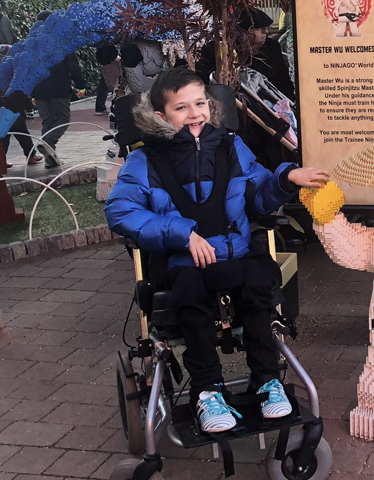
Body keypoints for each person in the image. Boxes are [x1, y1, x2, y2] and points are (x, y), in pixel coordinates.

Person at [104, 68, 329, 433]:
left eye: (200, 103)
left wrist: (285, 179)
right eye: (182, 108)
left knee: (260, 284)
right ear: (162, 117)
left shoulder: (231, 147)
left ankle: (268, 382)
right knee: (190, 297)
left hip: (235, 250)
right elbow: (120, 211)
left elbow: (258, 196)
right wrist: (181, 234)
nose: (194, 113)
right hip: (186, 258)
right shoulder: (144, 162)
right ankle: (207, 391)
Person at [0, 0, 36, 166]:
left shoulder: (5, 20)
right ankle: (5, 156)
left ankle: (18, 155)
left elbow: (15, 43)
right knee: (2, 116)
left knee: (16, 114)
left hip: (10, 75)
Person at [31, 11, 86, 168]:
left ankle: (50, 158)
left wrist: (32, 92)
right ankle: (47, 143)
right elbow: (73, 66)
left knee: (48, 121)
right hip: (58, 87)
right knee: (62, 119)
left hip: (39, 88)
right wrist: (80, 85)